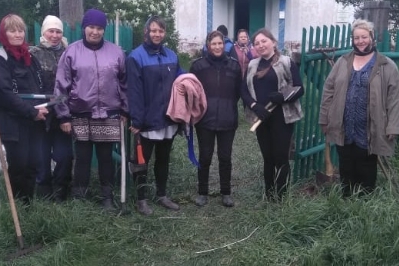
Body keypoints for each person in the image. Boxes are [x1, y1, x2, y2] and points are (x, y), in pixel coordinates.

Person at [318, 19, 399, 197]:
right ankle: (346, 200)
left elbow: (394, 99)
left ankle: (364, 204)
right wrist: (324, 118)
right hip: (344, 125)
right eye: (356, 37)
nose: (360, 41)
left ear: (372, 37)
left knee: (366, 166)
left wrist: (393, 126)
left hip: (369, 127)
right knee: (346, 164)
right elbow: (328, 90)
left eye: (364, 37)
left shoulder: (385, 65)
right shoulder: (343, 61)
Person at [55, 9, 127, 210]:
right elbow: (61, 86)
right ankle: (80, 197)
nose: (95, 32)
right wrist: (63, 116)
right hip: (80, 113)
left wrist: (125, 109)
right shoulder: (71, 52)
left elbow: (124, 83)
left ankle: (107, 197)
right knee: (83, 157)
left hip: (108, 113)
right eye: (91, 27)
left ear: (104, 30)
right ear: (84, 28)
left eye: (99, 28)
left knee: (105, 157)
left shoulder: (116, 52)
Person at [0, 14, 49, 204]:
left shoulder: (30, 57)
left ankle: (28, 204)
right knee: (20, 165)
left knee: (33, 163)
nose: (17, 34)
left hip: (35, 121)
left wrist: (47, 106)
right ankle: (17, 205)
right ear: (4, 34)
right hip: (14, 123)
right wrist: (31, 112)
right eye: (12, 30)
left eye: (20, 30)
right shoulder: (0, 59)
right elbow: (4, 94)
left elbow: (41, 87)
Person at [127, 15, 184, 215]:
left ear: (164, 33)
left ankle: (162, 195)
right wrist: (137, 119)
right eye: (153, 30)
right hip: (147, 121)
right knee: (142, 161)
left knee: (163, 158)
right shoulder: (136, 57)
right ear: (146, 32)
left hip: (167, 118)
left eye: (160, 31)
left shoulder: (171, 56)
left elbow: (181, 81)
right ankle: (141, 199)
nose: (157, 34)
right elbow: (133, 90)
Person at [242, 28, 304, 201]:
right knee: (267, 157)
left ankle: (281, 196)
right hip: (262, 118)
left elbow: (299, 88)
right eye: (257, 43)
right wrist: (255, 106)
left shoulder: (286, 62)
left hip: (282, 118)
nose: (260, 45)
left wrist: (282, 97)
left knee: (280, 157)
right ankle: (269, 195)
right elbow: (244, 90)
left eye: (264, 41)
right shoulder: (253, 64)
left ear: (273, 42)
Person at [190, 30, 242, 207]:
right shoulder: (198, 66)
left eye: (220, 43)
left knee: (225, 157)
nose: (218, 47)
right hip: (205, 120)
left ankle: (226, 192)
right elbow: (192, 93)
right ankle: (202, 192)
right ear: (208, 46)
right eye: (214, 44)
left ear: (224, 45)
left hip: (228, 120)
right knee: (205, 156)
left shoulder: (234, 66)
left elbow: (237, 93)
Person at [29, 15, 74, 202]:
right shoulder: (32, 53)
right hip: (40, 113)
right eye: (51, 31)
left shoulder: (69, 52)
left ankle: (61, 193)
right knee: (41, 157)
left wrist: (66, 115)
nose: (54, 35)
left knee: (64, 156)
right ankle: (44, 195)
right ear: (43, 32)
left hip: (62, 114)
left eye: (58, 31)